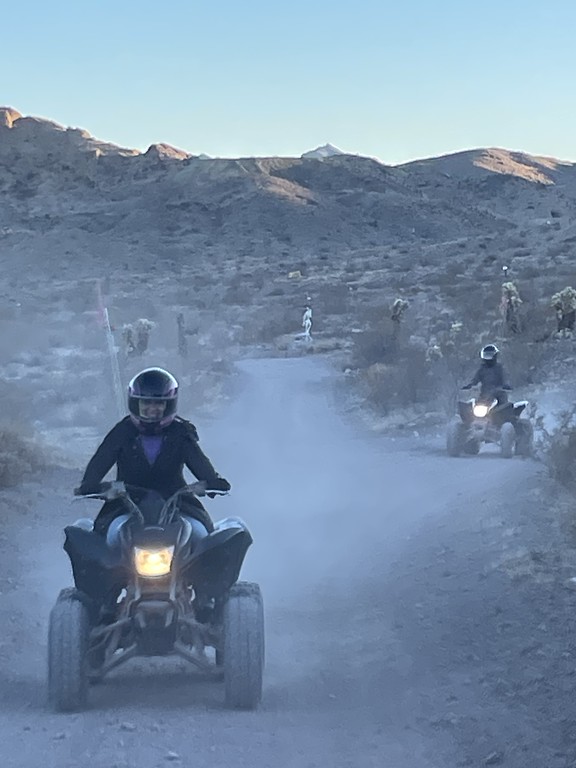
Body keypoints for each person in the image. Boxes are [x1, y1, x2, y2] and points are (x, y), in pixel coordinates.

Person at [75, 367, 230, 540]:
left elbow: (198, 461)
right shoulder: (122, 431)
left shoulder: (180, 432)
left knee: (204, 533)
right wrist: (90, 485)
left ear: (168, 405)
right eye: (146, 403)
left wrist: (213, 482)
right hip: (126, 501)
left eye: (158, 403)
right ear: (136, 404)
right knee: (100, 536)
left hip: (176, 501)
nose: (152, 408)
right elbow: (101, 459)